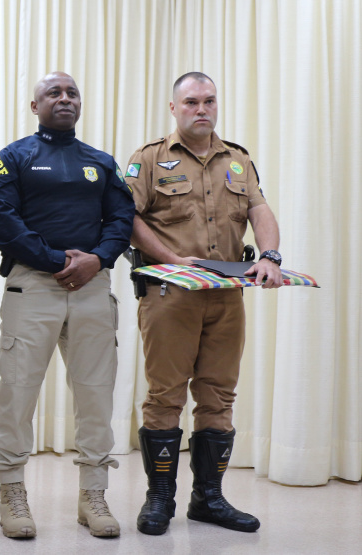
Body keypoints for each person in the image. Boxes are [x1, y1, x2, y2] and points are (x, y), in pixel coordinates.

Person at [125, 71, 283, 536]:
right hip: (171, 295)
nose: (201, 109)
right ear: (174, 108)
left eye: (209, 101)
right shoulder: (149, 159)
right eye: (191, 101)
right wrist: (173, 259)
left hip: (227, 297)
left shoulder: (238, 160)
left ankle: (209, 499)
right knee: (165, 396)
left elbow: (259, 209)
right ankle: (159, 501)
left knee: (218, 395)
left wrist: (271, 256)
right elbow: (124, 218)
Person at [0, 72, 134, 539]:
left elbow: (122, 217)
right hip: (33, 286)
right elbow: (2, 221)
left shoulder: (100, 162)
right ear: (35, 105)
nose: (64, 99)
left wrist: (98, 259)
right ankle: (12, 495)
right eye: (54, 92)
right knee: (18, 392)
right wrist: (54, 260)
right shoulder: (12, 158)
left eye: (71, 93)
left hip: (92, 287)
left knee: (95, 393)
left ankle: (93, 496)